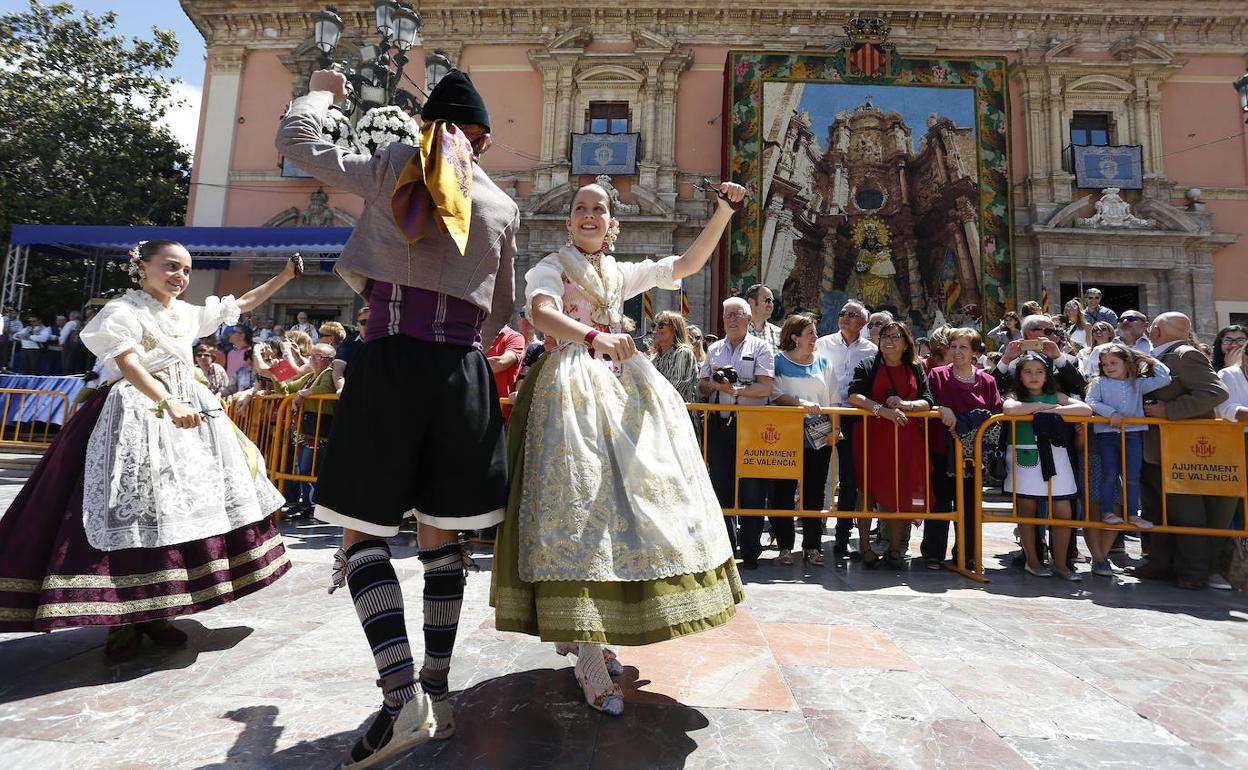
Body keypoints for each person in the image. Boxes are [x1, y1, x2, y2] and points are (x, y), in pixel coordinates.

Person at [278, 65, 517, 766]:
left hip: (387, 365)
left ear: (423, 126)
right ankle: (438, 691)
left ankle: (398, 699)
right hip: (460, 375)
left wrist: (323, 88)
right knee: (443, 542)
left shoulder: (394, 165)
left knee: (362, 541)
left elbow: (297, 140)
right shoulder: (501, 203)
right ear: (486, 140)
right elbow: (497, 309)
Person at [492, 181, 745, 717]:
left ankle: (591, 631)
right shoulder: (552, 265)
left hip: (624, 389)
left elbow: (686, 264)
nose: (588, 215)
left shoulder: (619, 272)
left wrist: (723, 211)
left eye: (598, 209)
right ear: (568, 222)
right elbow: (541, 314)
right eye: (580, 209)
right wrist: (594, 337)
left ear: (614, 225)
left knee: (635, 507)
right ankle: (584, 647)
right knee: (578, 511)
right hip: (570, 393)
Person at [0, 240, 298, 658]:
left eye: (187, 270)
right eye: (171, 267)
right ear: (141, 267)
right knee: (134, 512)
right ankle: (122, 620)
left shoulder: (186, 313)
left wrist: (284, 276)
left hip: (190, 416)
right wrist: (167, 401)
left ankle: (158, 611)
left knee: (178, 514)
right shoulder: (122, 311)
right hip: (136, 413)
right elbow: (129, 363)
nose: (180, 277)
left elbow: (241, 302)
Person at [1134, 312, 1235, 590]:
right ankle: (1162, 562)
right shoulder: (1162, 354)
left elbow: (1216, 393)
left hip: (1182, 449)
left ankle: (1194, 571)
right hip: (1156, 447)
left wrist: (1170, 410)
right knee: (1158, 509)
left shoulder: (1184, 355)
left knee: (1185, 513)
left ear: (1156, 331)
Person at [846, 320, 933, 569]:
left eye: (895, 336)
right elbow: (854, 395)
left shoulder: (915, 368)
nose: (889, 341)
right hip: (872, 436)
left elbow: (927, 400)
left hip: (905, 439)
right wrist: (880, 410)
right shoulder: (868, 365)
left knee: (898, 491)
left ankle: (895, 549)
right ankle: (865, 547)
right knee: (867, 490)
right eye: (885, 336)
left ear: (906, 343)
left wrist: (907, 405)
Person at [699, 296, 778, 568]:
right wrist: (714, 384)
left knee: (752, 490)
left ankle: (751, 550)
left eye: (737, 315)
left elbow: (765, 388)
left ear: (748, 319)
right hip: (721, 425)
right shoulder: (715, 350)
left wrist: (736, 389)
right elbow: (702, 386)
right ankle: (727, 549)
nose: (732, 320)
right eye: (727, 315)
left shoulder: (761, 348)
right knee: (721, 486)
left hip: (753, 427)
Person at [1002, 352, 1093, 580]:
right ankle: (1033, 561)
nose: (1034, 376)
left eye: (1039, 371)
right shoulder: (1014, 395)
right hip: (1026, 457)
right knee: (1028, 510)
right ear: (1020, 376)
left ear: (1046, 375)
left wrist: (1051, 411)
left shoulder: (1056, 396)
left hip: (1057, 457)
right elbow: (1010, 409)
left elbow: (1085, 410)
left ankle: (1061, 564)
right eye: (1028, 371)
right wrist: (1040, 407)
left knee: (1064, 511)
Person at [1085, 345, 1171, 574]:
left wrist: (1147, 358)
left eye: (1114, 363)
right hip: (1107, 434)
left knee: (1132, 474)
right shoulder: (1099, 383)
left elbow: (1165, 378)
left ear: (1127, 363)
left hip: (1133, 433)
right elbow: (1091, 401)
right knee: (1111, 474)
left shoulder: (1138, 383)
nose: (1109, 368)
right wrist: (1110, 414)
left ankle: (1133, 514)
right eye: (1105, 364)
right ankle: (1108, 512)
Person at [925, 328, 1001, 571]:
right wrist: (939, 409)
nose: (957, 352)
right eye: (953, 346)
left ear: (975, 352)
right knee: (940, 502)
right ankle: (933, 553)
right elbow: (927, 402)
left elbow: (996, 411)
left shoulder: (987, 381)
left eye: (963, 347)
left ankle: (967, 553)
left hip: (973, 455)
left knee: (969, 504)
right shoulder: (936, 375)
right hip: (941, 449)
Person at [769, 314, 837, 565]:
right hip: (785, 434)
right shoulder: (777, 362)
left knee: (814, 491)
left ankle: (812, 545)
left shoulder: (824, 363)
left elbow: (833, 398)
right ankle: (785, 545)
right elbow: (774, 393)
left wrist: (835, 429)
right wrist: (801, 405)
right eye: (810, 333)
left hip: (818, 436)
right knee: (783, 491)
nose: (815, 338)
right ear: (795, 337)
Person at [816, 300, 877, 557]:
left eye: (852, 314)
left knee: (850, 478)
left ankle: (842, 536)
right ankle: (812, 533)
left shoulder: (872, 350)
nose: (845, 317)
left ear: (863, 322)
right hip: (824, 415)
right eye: (842, 312)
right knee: (817, 472)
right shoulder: (822, 344)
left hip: (854, 418)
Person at [286, 342, 339, 518]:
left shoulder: (328, 373)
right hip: (306, 428)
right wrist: (275, 374)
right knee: (302, 467)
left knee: (308, 468)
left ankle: (315, 505)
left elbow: (324, 389)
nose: (313, 359)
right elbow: (288, 387)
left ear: (328, 360)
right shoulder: (310, 376)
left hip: (319, 430)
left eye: (318, 356)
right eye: (312, 355)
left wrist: (302, 393)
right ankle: (307, 505)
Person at [650, 310, 699, 403]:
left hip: (680, 415)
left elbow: (673, 390)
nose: (655, 330)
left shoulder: (683, 353)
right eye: (653, 326)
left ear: (674, 329)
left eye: (660, 325)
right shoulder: (654, 357)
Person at [486, 323, 525, 418]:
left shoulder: (514, 337)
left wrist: (469, 362)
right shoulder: (476, 333)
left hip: (498, 411)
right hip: (471, 403)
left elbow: (500, 363)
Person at [743, 283, 781, 349]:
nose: (771, 305)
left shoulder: (779, 334)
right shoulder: (738, 332)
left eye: (772, 301)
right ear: (751, 302)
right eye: (767, 300)